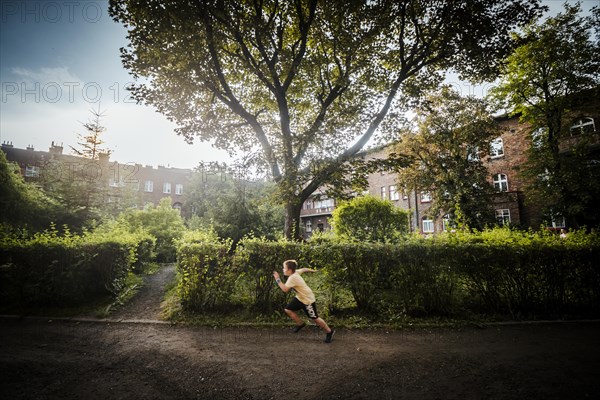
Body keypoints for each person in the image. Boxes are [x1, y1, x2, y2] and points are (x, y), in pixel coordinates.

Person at [273, 259, 335, 343]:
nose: (283, 269)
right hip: (300, 298)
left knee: (315, 319)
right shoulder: (296, 272)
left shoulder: (292, 278)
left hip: (307, 300)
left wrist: (277, 279)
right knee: (288, 309)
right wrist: (313, 270)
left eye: (284, 268)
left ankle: (329, 332)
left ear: (290, 270)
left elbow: (285, 289)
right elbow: (304, 269)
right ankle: (300, 324)